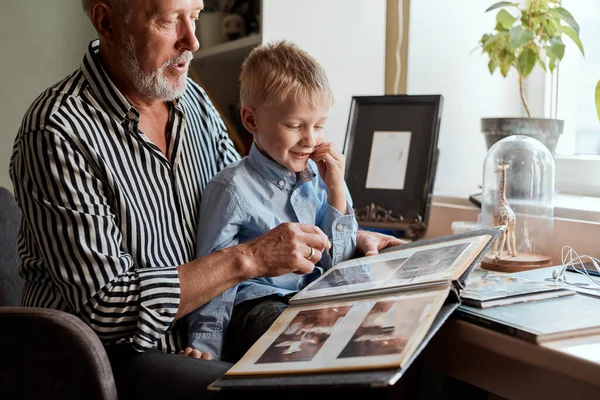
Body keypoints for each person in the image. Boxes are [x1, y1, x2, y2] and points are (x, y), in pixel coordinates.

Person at [8, 0, 404, 398]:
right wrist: (247, 258)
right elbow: (107, 309)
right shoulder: (56, 131)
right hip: (118, 360)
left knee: (381, 347)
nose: (192, 40)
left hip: (221, 327)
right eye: (169, 21)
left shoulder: (191, 99)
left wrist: (347, 237)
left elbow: (254, 201)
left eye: (194, 16)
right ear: (106, 22)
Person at [185, 40, 358, 362]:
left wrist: (336, 188)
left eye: (319, 126)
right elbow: (213, 275)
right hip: (254, 306)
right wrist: (205, 345)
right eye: (294, 125)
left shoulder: (321, 177)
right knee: (305, 340)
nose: (310, 139)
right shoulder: (231, 189)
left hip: (308, 299)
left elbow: (339, 264)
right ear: (251, 121)